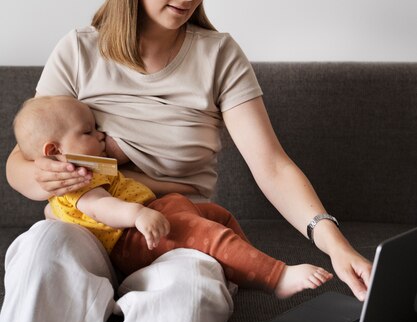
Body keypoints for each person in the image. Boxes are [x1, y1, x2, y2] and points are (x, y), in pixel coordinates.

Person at [1, 0, 372, 322]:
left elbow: (272, 166)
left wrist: (334, 243)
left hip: (177, 233)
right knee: (42, 244)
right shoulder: (78, 50)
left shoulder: (218, 55)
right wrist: (37, 174)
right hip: (90, 222)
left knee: (190, 286)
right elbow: (21, 163)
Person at [13, 94, 334, 295]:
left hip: (154, 208)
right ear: (54, 150)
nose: (100, 135)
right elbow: (102, 208)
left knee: (218, 215)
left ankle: (241, 268)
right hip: (131, 236)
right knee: (204, 233)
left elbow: (128, 184)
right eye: (88, 132)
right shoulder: (74, 181)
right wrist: (138, 215)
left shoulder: (90, 168)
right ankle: (275, 277)